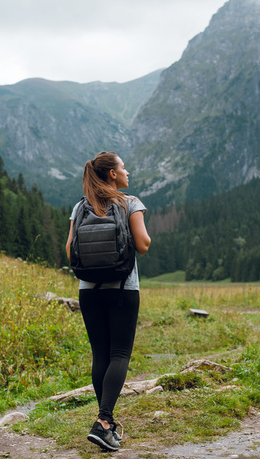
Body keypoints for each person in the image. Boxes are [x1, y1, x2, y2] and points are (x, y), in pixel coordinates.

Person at [65, 151, 151, 451]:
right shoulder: (129, 202)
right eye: (124, 167)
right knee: (120, 353)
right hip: (122, 287)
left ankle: (106, 422)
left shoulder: (81, 206)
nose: (128, 172)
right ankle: (103, 422)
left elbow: (69, 251)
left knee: (100, 354)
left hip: (88, 290)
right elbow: (142, 245)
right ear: (112, 174)